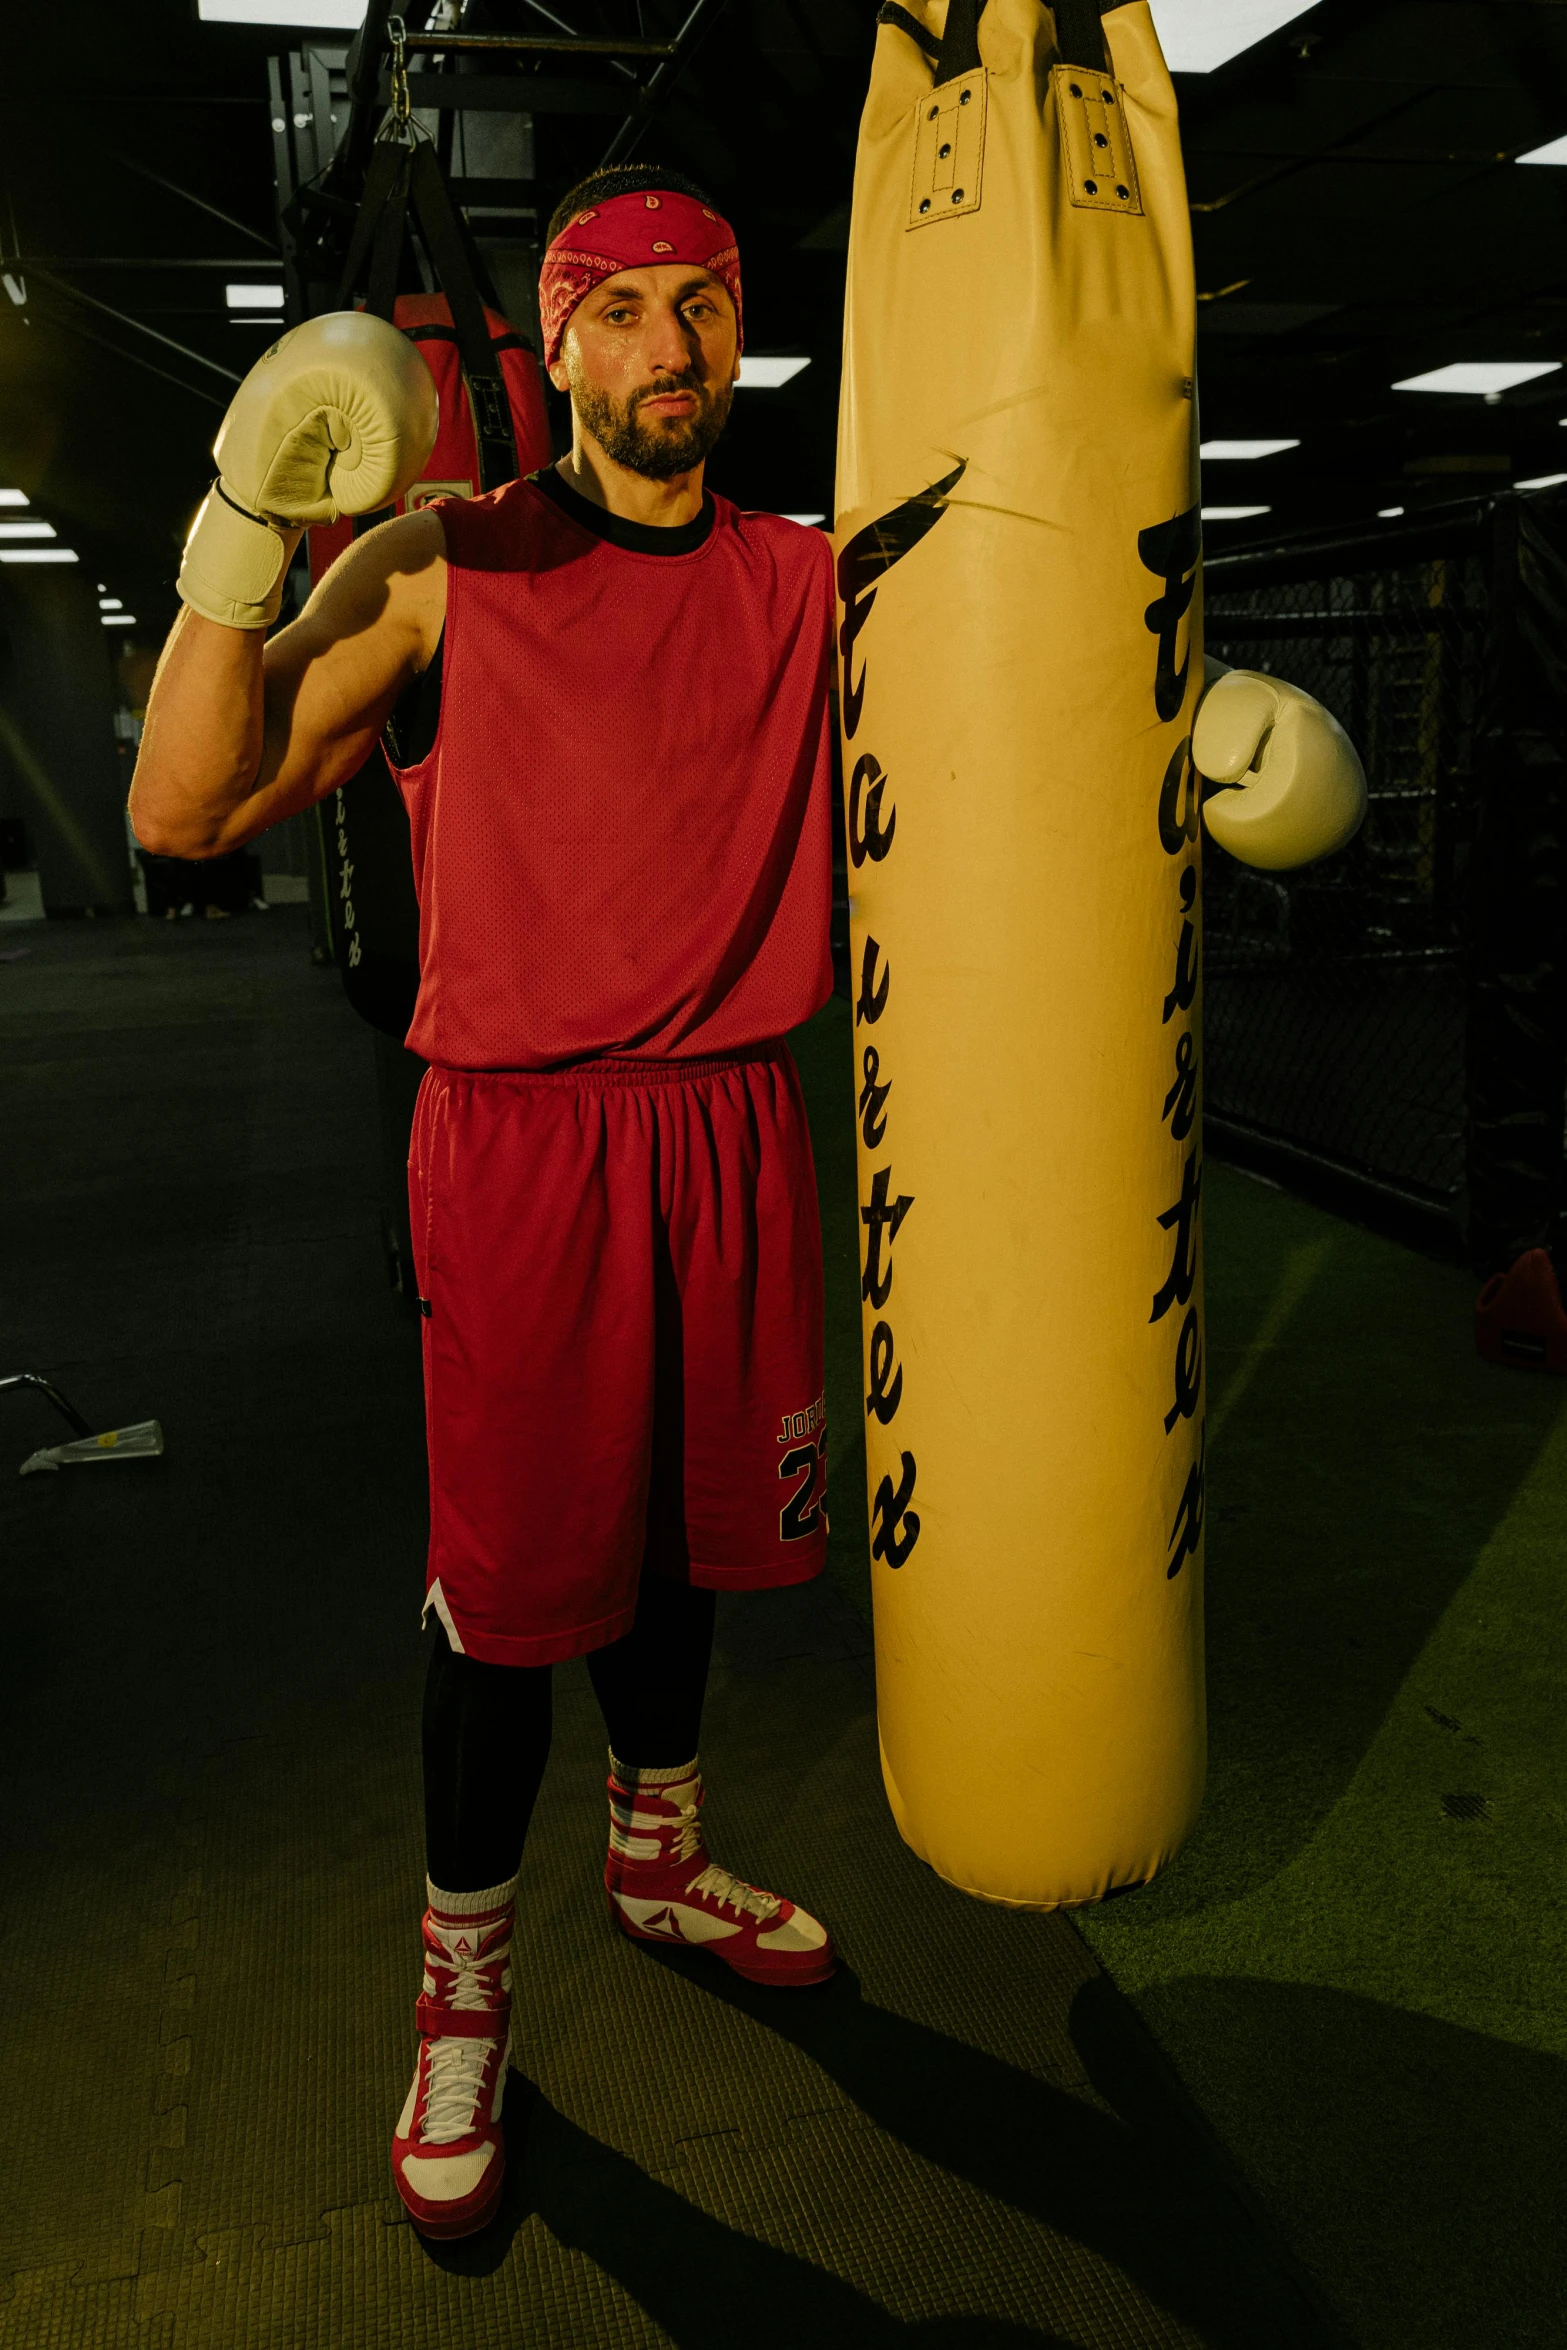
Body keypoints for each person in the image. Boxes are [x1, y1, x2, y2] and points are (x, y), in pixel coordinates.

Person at [129, 164, 839, 2243]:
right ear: (554, 345)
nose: (668, 346)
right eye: (619, 309)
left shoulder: (806, 580)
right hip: (522, 1141)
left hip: (729, 1124)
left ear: (736, 334)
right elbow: (181, 807)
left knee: (689, 1524)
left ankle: (661, 1846)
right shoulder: (449, 563)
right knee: (511, 1586)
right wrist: (240, 533)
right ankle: (464, 1986)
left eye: (701, 304)